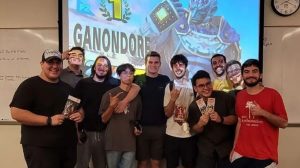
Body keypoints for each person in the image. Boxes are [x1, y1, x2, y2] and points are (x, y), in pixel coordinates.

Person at [9, 49, 84, 168]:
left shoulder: (67, 88)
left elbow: (78, 109)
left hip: (67, 147)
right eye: (50, 62)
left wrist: (80, 115)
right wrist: (48, 120)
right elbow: (16, 113)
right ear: (41, 64)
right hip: (40, 148)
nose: (55, 66)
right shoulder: (29, 85)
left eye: (58, 63)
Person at [139, 0, 240, 77]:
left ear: (212, 10)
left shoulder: (226, 33)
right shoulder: (174, 21)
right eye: (193, 8)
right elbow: (138, 57)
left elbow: (231, 76)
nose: (194, 14)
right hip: (173, 86)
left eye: (200, 12)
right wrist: (150, 27)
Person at [73, 56, 140, 168]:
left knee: (101, 165)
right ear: (94, 67)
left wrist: (124, 102)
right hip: (85, 132)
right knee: (81, 165)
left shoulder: (115, 83)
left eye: (105, 66)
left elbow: (136, 87)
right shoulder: (83, 83)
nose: (102, 68)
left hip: (105, 133)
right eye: (99, 65)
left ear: (109, 69)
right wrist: (76, 122)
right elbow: (72, 103)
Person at [230, 59, 288, 168]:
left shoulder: (273, 94)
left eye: (254, 71)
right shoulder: (240, 96)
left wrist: (262, 112)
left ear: (260, 75)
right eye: (246, 72)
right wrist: (234, 148)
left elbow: (284, 123)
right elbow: (240, 121)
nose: (250, 75)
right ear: (242, 75)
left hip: (265, 156)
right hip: (240, 153)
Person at [187, 70, 237, 168]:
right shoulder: (193, 106)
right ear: (195, 88)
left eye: (208, 83)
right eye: (201, 86)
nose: (206, 88)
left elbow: (235, 119)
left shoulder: (225, 97)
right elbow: (194, 129)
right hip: (205, 149)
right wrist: (200, 124)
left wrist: (221, 119)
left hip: (226, 148)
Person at [100, 63, 142, 168]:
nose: (128, 76)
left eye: (131, 73)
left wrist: (138, 129)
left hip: (130, 143)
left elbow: (137, 119)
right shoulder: (110, 94)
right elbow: (103, 119)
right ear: (119, 75)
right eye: (125, 73)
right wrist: (111, 106)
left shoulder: (137, 97)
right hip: (113, 142)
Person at [134, 51, 170, 168]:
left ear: (160, 64)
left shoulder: (165, 79)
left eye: (156, 62)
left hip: (160, 127)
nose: (153, 65)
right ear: (145, 63)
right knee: (142, 162)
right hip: (141, 128)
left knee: (156, 162)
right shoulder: (139, 79)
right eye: (150, 62)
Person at [163, 54, 197, 168]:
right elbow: (167, 113)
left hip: (189, 134)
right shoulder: (169, 86)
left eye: (181, 64)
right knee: (171, 165)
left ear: (185, 67)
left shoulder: (194, 85)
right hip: (171, 134)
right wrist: (172, 99)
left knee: (189, 165)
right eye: (175, 65)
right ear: (172, 68)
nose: (178, 67)